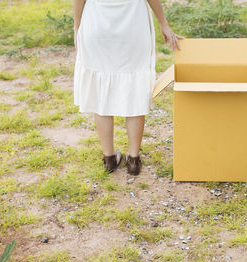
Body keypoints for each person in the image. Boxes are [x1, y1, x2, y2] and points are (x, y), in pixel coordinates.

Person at [73, 0, 183, 176]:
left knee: (101, 92)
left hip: (97, 22)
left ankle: (109, 158)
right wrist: (164, 23)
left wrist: (77, 26)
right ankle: (133, 160)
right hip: (132, 24)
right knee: (135, 90)